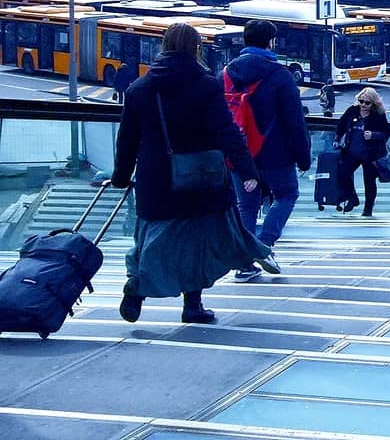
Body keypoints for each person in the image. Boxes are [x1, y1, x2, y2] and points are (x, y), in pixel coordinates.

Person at [112, 23, 278, 325]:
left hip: (156, 179)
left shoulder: (139, 88)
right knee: (196, 243)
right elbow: (225, 130)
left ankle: (137, 287)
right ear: (195, 48)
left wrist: (121, 176)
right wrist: (246, 168)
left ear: (164, 46)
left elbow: (127, 140)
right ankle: (193, 305)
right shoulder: (205, 85)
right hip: (200, 177)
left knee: (150, 236)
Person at [224, 19, 310, 281]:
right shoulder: (280, 75)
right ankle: (264, 245)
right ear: (270, 41)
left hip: (239, 154)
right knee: (287, 194)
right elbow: (294, 120)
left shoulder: (226, 74)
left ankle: (244, 265)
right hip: (276, 153)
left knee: (246, 206)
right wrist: (303, 155)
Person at [334, 87, 390, 216]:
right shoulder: (352, 111)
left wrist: (374, 135)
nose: (363, 105)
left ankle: (368, 209)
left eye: (367, 102)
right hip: (352, 151)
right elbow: (341, 125)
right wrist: (337, 138)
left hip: (371, 155)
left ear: (374, 103)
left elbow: (386, 132)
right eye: (361, 101)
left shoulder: (378, 115)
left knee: (369, 182)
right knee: (343, 173)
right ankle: (352, 198)